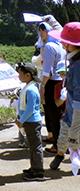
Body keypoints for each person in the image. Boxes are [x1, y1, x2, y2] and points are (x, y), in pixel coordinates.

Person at [47, 22, 80, 171]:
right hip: (71, 111)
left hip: (75, 113)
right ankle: (60, 154)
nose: (63, 43)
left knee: (72, 137)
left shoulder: (78, 65)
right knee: (64, 137)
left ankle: (66, 158)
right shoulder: (73, 60)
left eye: (66, 41)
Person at [38, 22, 66, 154]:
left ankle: (56, 144)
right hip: (61, 82)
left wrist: (43, 86)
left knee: (52, 115)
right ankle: (63, 143)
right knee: (60, 114)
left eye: (41, 31)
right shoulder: (61, 46)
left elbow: (47, 71)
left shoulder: (49, 47)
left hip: (51, 83)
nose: (40, 34)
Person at [14, 62, 45, 181]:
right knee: (32, 147)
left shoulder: (31, 90)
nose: (19, 76)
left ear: (28, 75)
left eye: (20, 74)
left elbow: (30, 109)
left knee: (35, 147)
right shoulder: (30, 86)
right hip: (29, 121)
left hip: (31, 121)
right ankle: (34, 168)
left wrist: (21, 120)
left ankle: (38, 172)